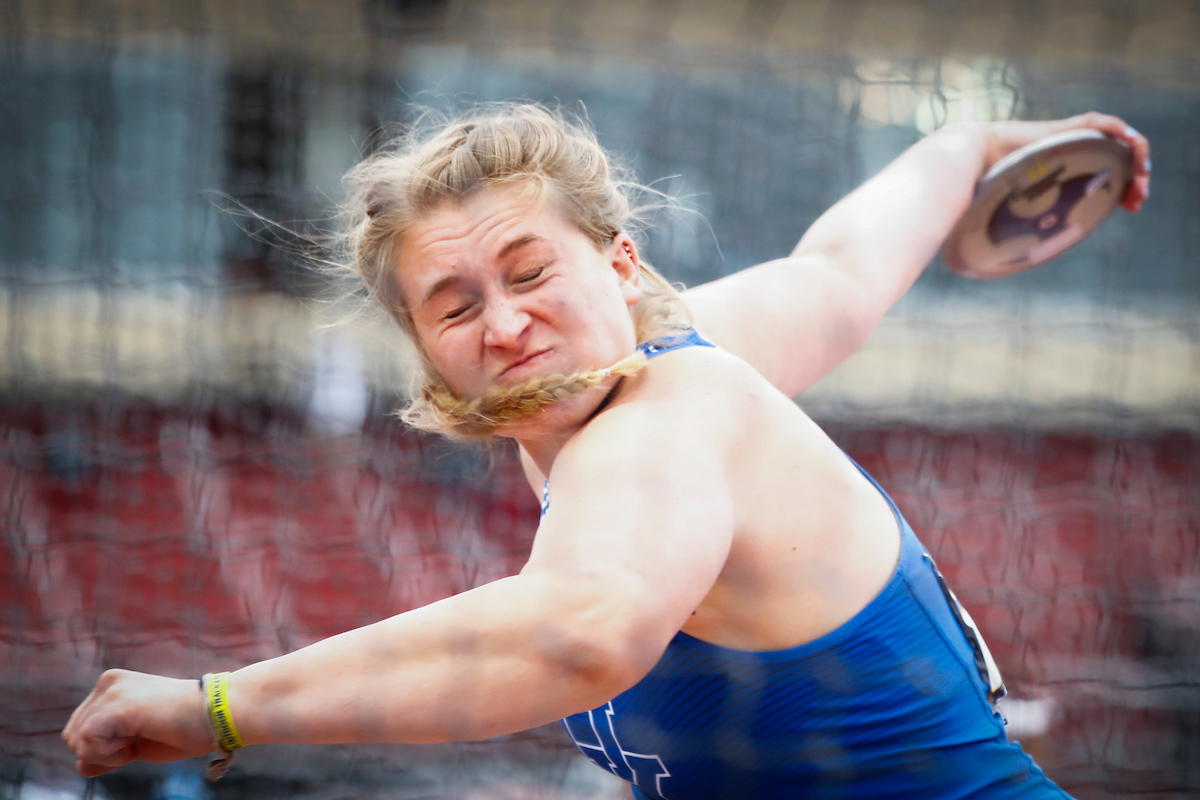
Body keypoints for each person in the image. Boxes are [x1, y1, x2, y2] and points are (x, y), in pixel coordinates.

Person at [63, 103, 1150, 798]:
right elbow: (840, 275)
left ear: (621, 261)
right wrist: (963, 149)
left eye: (531, 272)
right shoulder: (671, 360)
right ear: (424, 349)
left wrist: (220, 704)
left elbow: (583, 638)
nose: (503, 323)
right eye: (454, 305)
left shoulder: (662, 418)